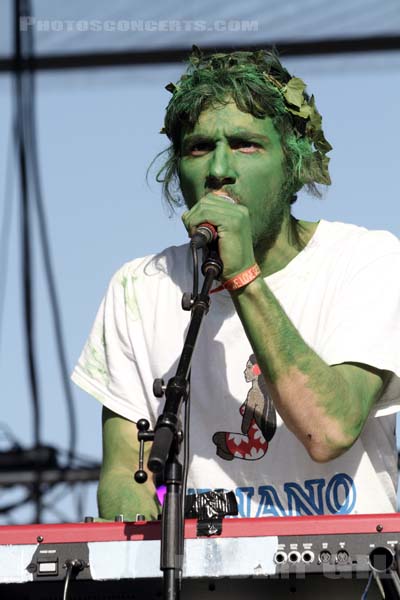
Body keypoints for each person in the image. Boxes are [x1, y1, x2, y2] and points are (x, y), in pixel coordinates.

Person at [72, 47, 400, 520]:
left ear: (294, 167)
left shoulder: (366, 261)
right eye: (200, 147)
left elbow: (328, 431)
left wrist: (244, 278)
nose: (219, 170)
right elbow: (128, 473)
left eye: (246, 145)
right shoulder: (138, 289)